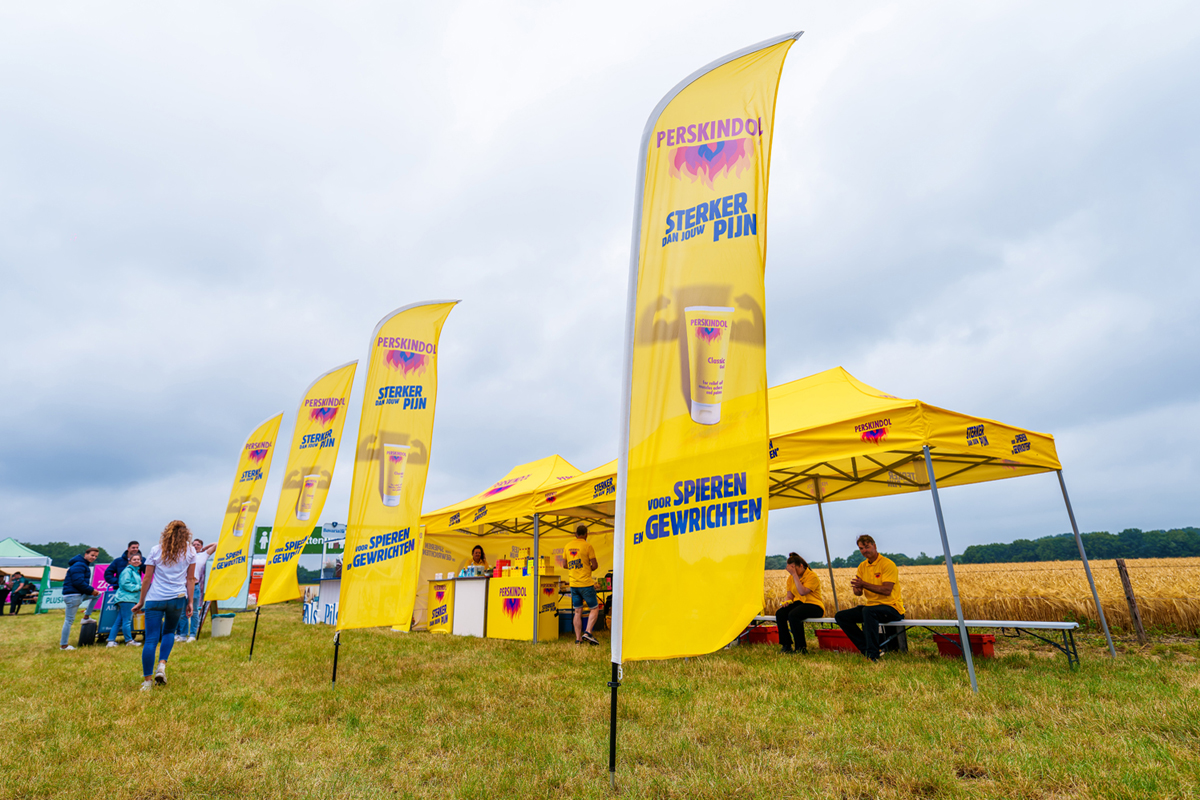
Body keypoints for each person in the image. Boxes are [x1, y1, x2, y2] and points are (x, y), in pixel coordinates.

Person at [132, 520, 197, 691]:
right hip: (177, 598)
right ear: (186, 534)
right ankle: (161, 666)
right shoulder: (190, 551)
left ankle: (147, 682)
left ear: (166, 532)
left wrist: (141, 601)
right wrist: (190, 602)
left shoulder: (155, 549)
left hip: (155, 599)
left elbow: (147, 578)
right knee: (169, 632)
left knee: (151, 639)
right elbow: (190, 579)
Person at [834, 535, 905, 661]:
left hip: (892, 607)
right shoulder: (862, 566)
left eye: (867, 547)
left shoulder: (887, 564)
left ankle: (873, 655)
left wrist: (864, 584)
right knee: (841, 616)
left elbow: (887, 590)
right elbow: (858, 593)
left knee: (868, 611)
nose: (864, 551)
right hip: (871, 607)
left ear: (874, 546)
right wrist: (857, 588)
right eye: (861, 548)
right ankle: (867, 649)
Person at [776, 553, 825, 654]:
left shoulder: (812, 576)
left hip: (814, 605)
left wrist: (794, 575)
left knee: (793, 615)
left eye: (794, 568)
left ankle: (801, 648)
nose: (793, 571)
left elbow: (803, 592)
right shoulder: (790, 579)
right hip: (799, 604)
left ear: (801, 566)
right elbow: (790, 596)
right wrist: (786, 602)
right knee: (780, 613)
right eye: (791, 569)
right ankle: (786, 645)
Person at [560, 526, 600, 645]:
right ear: (586, 534)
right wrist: (586, 565)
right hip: (586, 583)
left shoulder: (567, 546)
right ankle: (587, 632)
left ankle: (578, 640)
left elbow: (564, 565)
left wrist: (575, 566)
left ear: (575, 534)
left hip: (573, 584)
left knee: (577, 611)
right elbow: (594, 565)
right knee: (594, 608)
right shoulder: (588, 546)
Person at [175, 537, 216, 642]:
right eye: (194, 544)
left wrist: (204, 548)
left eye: (198, 544)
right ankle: (183, 634)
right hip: (183, 586)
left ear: (201, 546)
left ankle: (192, 634)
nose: (195, 546)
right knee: (183, 612)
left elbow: (217, 544)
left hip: (195, 585)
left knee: (193, 612)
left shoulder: (203, 555)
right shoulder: (187, 556)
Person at [60, 548, 100, 650]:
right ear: (85, 554)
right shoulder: (79, 565)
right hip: (73, 595)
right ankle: (64, 645)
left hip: (77, 594)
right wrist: (91, 590)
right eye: (92, 555)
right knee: (68, 621)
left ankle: (86, 617)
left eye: (95, 556)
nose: (94, 558)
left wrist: (92, 592)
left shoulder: (82, 564)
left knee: (98, 595)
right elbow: (78, 582)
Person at [107, 553, 143, 647]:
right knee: (127, 621)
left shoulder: (134, 571)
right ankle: (129, 641)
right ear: (129, 561)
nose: (136, 561)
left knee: (119, 621)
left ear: (140, 562)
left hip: (127, 599)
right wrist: (140, 587)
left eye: (138, 560)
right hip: (127, 599)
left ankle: (111, 641)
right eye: (134, 559)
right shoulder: (127, 571)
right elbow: (125, 584)